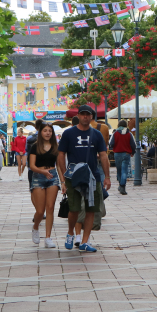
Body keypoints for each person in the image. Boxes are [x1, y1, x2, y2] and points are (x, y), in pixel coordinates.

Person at [57, 105, 110, 253]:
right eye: (83, 114)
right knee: (74, 208)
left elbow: (104, 155)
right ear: (78, 116)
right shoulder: (68, 133)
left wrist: (107, 177)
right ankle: (70, 233)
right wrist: (63, 174)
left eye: (88, 114)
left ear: (91, 117)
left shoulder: (97, 134)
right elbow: (61, 154)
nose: (85, 117)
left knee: (91, 209)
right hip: (73, 176)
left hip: (93, 176)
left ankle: (85, 241)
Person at [29, 123, 65, 248]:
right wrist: (42, 171)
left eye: (50, 131)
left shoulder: (56, 147)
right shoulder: (35, 147)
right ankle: (35, 227)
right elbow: (32, 166)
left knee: (50, 207)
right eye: (45, 130)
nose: (48, 133)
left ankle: (48, 237)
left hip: (53, 176)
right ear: (40, 132)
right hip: (38, 176)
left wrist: (63, 181)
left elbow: (59, 166)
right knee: (40, 211)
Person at [109, 120, 136, 195]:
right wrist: (132, 152)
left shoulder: (115, 133)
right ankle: (122, 186)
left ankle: (120, 185)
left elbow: (111, 143)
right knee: (124, 171)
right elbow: (133, 145)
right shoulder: (129, 134)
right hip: (126, 154)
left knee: (119, 170)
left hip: (117, 154)